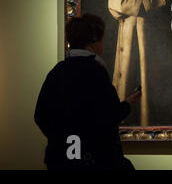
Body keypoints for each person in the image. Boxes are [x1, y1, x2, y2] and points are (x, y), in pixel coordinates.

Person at [34, 14, 141, 170]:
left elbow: (40, 115)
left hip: (61, 161)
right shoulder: (96, 73)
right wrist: (128, 103)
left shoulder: (57, 72)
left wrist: (67, 141)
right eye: (102, 39)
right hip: (95, 162)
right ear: (93, 42)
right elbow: (109, 116)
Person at [108, 0, 169, 126]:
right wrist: (140, 4)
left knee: (149, 69)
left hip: (151, 29)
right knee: (128, 70)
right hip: (128, 27)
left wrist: (144, 5)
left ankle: (148, 119)